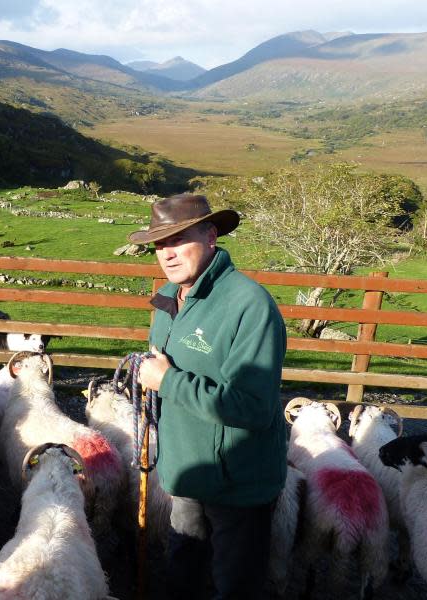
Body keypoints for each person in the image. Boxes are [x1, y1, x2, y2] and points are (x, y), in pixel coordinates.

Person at [130, 193, 287, 600]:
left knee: (235, 587)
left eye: (179, 238)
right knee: (182, 573)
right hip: (185, 473)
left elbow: (253, 407)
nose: (167, 252)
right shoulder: (169, 295)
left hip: (236, 483)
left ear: (211, 234)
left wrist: (167, 381)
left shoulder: (249, 305)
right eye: (159, 243)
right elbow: (162, 367)